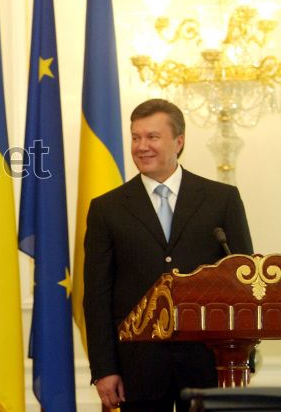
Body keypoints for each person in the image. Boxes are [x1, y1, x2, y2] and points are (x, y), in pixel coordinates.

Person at [83, 99, 253, 412]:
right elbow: (96, 295)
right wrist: (104, 369)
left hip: (209, 364)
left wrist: (244, 358)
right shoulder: (106, 209)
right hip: (138, 367)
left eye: (152, 137)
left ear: (179, 141)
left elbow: (244, 283)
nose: (141, 146)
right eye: (136, 137)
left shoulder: (221, 200)